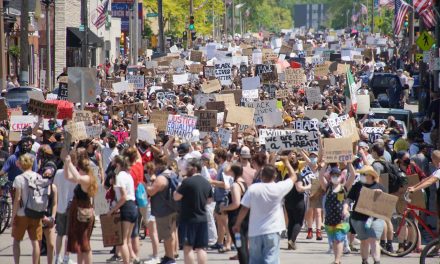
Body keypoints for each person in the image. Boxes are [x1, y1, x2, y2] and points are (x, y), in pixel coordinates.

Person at [232, 156, 297, 264]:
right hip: (272, 230)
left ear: (261, 176)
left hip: (255, 231)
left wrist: (237, 224)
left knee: (255, 260)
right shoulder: (279, 188)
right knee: (271, 259)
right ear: (275, 176)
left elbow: (244, 208)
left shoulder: (253, 188)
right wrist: (286, 162)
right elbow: (294, 177)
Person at [174, 158, 213, 264]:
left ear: (195, 168)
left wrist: (178, 187)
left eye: (189, 167)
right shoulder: (206, 182)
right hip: (202, 218)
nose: (186, 169)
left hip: (188, 219)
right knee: (201, 248)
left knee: (188, 248)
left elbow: (176, 197)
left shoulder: (187, 182)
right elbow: (209, 201)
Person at [64, 150, 98, 264]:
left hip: (83, 214)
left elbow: (77, 177)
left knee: (84, 243)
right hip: (79, 213)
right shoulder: (84, 178)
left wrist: (70, 164)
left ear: (80, 168)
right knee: (79, 243)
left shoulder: (87, 179)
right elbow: (68, 176)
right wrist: (66, 164)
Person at [106, 155, 141, 264]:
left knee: (122, 241)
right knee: (128, 238)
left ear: (118, 164)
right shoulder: (127, 175)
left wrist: (112, 210)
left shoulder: (120, 176)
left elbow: (123, 197)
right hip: (132, 206)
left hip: (126, 207)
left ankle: (127, 262)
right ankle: (134, 258)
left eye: (114, 163)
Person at [348, 165, 385, 264]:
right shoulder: (357, 185)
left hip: (375, 218)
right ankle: (364, 260)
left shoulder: (380, 187)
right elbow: (349, 198)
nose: (361, 176)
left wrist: (380, 194)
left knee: (374, 240)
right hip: (358, 218)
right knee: (364, 240)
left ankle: (377, 261)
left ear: (370, 175)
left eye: (363, 174)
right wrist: (345, 207)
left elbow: (386, 203)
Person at [11, 154, 43, 264]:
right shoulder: (39, 177)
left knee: (16, 241)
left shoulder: (18, 178)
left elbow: (17, 199)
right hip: (35, 212)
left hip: (22, 214)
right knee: (35, 242)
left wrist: (13, 216)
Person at [146, 155, 177, 264]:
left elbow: (151, 191)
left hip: (164, 210)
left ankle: (170, 258)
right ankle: (169, 255)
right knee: (170, 234)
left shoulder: (161, 178)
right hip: (172, 208)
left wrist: (147, 184)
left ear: (158, 164)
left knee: (166, 236)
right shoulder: (171, 173)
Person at [319, 165, 350, 264]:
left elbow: (353, 175)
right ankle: (337, 259)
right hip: (329, 219)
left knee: (338, 240)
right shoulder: (327, 187)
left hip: (341, 219)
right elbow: (320, 176)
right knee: (333, 241)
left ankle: (337, 260)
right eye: (333, 175)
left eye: (337, 175)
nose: (335, 177)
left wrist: (350, 164)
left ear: (341, 176)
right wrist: (326, 164)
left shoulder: (344, 188)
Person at [219, 163, 249, 264]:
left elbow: (236, 203)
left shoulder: (235, 185)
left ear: (233, 171)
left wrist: (225, 208)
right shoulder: (244, 183)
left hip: (236, 219)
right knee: (243, 246)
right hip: (244, 218)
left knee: (240, 247)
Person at [53, 163, 76, 264]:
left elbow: (55, 188)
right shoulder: (75, 173)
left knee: (59, 234)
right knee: (68, 235)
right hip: (71, 207)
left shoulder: (58, 173)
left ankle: (57, 257)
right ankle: (66, 257)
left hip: (60, 207)